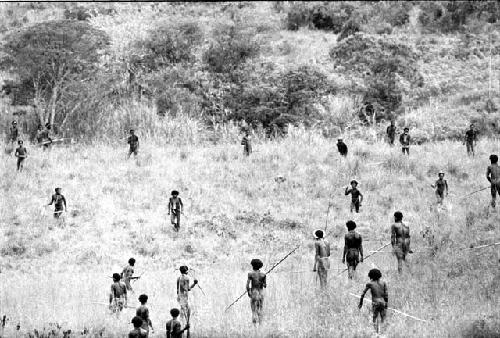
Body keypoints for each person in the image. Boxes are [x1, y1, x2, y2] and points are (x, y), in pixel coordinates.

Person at [358, 269, 388, 333]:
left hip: (375, 303)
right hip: (382, 302)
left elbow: (363, 294)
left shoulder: (369, 284)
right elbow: (386, 295)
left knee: (374, 318)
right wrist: (386, 304)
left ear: (371, 276)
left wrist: (361, 303)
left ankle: (375, 333)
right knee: (383, 318)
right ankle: (383, 333)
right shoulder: (384, 283)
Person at [246, 258, 266, 324]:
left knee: (254, 311)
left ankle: (254, 328)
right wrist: (262, 282)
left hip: (254, 293)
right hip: (261, 293)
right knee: (260, 309)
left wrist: (249, 292)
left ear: (252, 265)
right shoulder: (263, 274)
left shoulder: (250, 274)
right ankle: (260, 325)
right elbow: (265, 285)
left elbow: (247, 285)